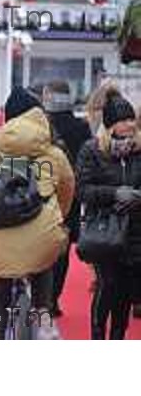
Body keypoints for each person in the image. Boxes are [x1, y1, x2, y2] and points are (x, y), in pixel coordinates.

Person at [0, 86, 74, 340]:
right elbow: (67, 191)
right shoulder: (54, 156)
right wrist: (58, 219)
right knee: (43, 266)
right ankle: (43, 319)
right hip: (42, 237)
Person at [77, 90, 141, 339]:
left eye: (132, 119)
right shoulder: (92, 150)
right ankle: (97, 334)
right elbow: (82, 190)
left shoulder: (138, 150)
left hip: (135, 230)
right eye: (125, 120)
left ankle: (117, 337)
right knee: (108, 284)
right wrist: (114, 194)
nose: (131, 124)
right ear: (111, 123)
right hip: (105, 230)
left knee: (124, 290)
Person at [42, 80, 92, 316]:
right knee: (62, 249)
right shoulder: (81, 127)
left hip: (43, 193)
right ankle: (53, 298)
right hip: (70, 196)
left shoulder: (41, 124)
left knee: (42, 246)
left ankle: (42, 296)